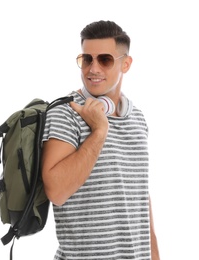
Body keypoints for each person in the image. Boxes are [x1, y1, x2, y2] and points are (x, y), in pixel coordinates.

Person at [42, 20, 160, 260]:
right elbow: (56, 191)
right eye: (87, 59)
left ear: (125, 64)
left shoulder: (137, 117)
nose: (92, 69)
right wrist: (98, 132)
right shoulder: (66, 112)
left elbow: (139, 196)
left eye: (104, 60)